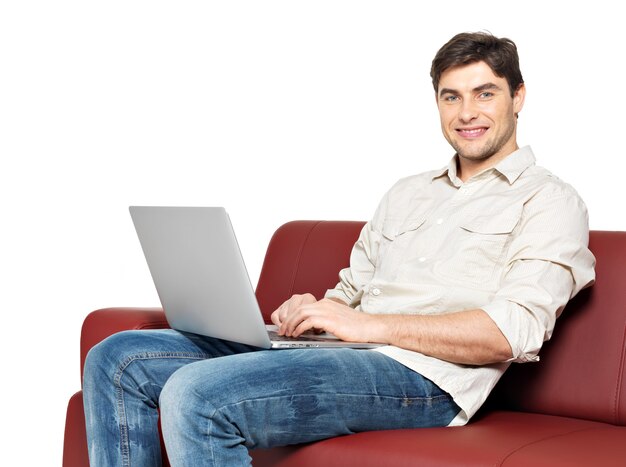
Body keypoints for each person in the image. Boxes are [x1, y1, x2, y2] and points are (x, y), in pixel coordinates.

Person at [83, 31, 596, 466]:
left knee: (198, 394)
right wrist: (317, 310)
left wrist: (372, 327)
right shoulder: (407, 192)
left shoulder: (550, 201)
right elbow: (352, 290)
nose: (467, 113)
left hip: (427, 381)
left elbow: (512, 334)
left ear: (519, 96)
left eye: (485, 94)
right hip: (347, 353)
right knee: (117, 358)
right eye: (451, 96)